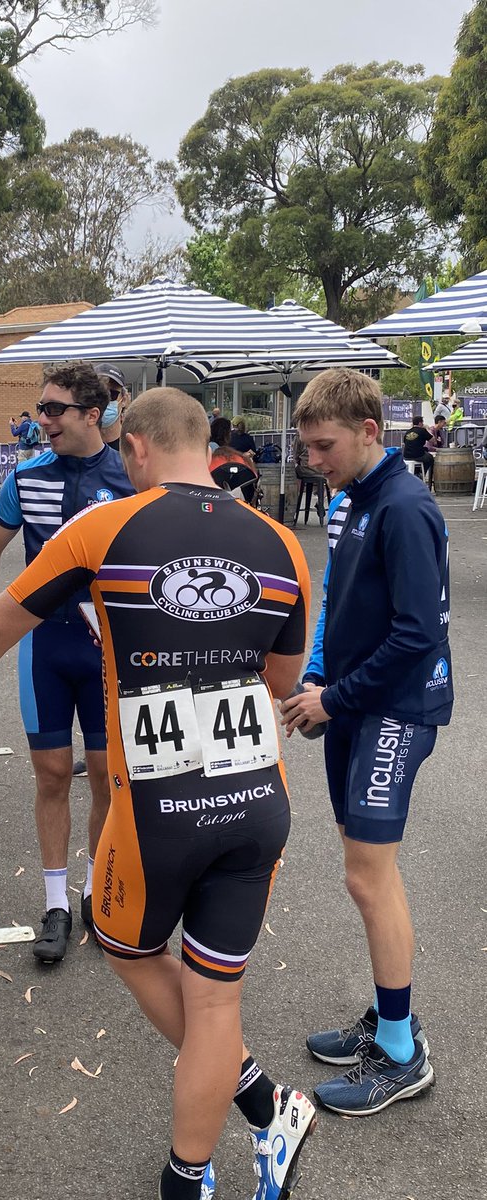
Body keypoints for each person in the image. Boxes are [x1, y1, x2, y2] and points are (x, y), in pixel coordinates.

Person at [0, 388, 316, 1200]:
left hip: (157, 808)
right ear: (206, 446)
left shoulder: (102, 529)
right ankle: (233, 1141)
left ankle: (250, 1119)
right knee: (213, 997)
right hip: (254, 800)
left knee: (127, 946)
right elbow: (281, 680)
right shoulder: (281, 544)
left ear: (133, 448)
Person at [281, 367, 450, 1117]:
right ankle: (391, 1020)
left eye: (325, 446)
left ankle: (403, 1056)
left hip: (395, 710)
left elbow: (420, 635)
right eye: (307, 448)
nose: (315, 461)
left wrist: (336, 699)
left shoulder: (408, 508)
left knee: (367, 877)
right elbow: (339, 603)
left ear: (369, 433)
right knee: (369, 873)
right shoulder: (351, 501)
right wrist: (317, 674)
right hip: (349, 704)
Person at [0, 363, 133, 963]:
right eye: (40, 409)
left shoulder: (129, 476)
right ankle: (56, 905)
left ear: (92, 415)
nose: (40, 420)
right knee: (50, 774)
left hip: (106, 654)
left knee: (103, 777)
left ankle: (98, 895)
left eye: (54, 410)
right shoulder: (27, 474)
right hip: (45, 648)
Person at [96, 363, 127, 451]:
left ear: (124, 399)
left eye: (111, 394)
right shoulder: (76, 449)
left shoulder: (133, 448)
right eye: (98, 394)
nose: (105, 401)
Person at [401, 415, 434, 485]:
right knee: (430, 458)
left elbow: (405, 443)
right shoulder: (422, 430)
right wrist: (427, 429)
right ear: (420, 423)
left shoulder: (408, 432)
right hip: (418, 455)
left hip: (406, 455)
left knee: (421, 458)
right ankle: (421, 474)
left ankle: (416, 473)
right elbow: (433, 440)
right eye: (422, 422)